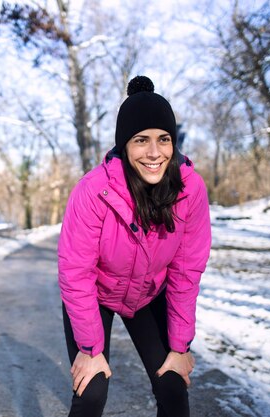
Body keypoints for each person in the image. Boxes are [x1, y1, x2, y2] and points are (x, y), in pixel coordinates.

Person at [58, 75, 212, 417]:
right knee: (92, 389)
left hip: (147, 293)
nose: (154, 152)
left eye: (164, 139)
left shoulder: (190, 189)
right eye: (141, 140)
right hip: (96, 294)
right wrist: (89, 349)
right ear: (124, 145)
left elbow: (187, 271)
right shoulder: (93, 190)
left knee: (173, 383)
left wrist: (180, 345)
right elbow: (75, 273)